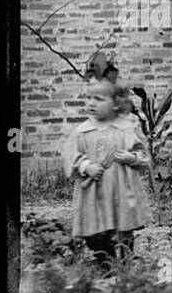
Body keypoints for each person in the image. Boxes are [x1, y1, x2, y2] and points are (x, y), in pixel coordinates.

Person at [62, 78, 151, 268]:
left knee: (124, 225)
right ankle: (105, 262)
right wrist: (86, 166)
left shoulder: (126, 129)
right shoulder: (83, 132)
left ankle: (126, 261)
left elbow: (144, 155)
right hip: (94, 190)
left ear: (116, 104)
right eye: (89, 98)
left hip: (121, 188)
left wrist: (131, 157)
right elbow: (71, 156)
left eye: (99, 99)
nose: (91, 103)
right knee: (95, 228)